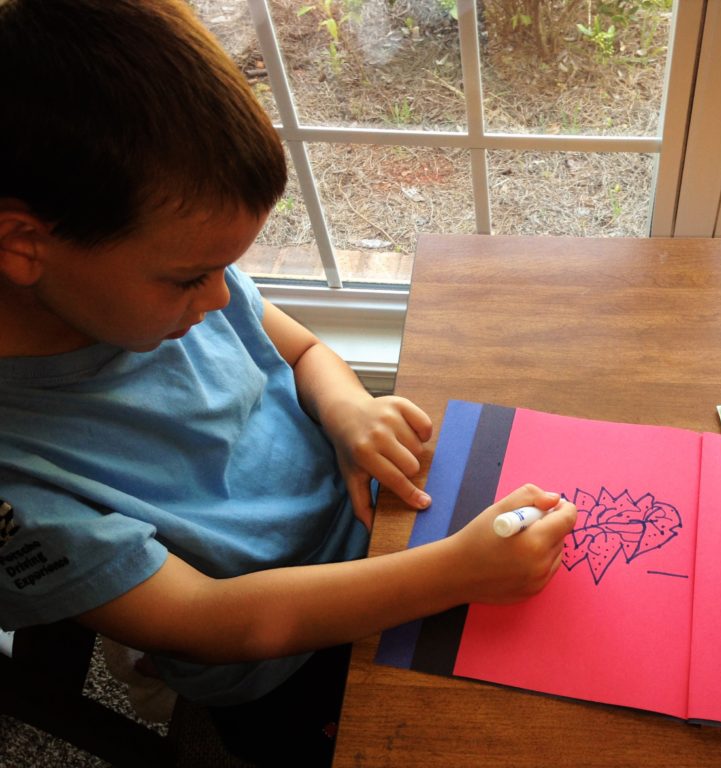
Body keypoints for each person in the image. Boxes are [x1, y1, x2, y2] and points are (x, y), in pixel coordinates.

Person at [0, 1, 577, 765]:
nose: (218, 298)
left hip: (387, 540)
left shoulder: (154, 282)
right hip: (285, 666)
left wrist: (349, 411)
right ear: (23, 245)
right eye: (192, 277)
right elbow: (214, 622)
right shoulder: (19, 478)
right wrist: (456, 572)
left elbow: (302, 352)